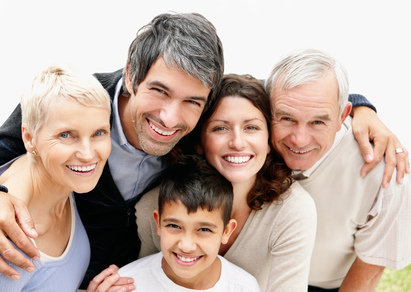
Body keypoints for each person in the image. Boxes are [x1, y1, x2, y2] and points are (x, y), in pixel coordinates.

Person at [0, 12, 407, 289]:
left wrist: (361, 106)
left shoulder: (222, 122)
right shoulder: (79, 104)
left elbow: (275, 102)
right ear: (131, 74)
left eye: (193, 102)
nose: (170, 118)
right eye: (159, 91)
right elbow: (11, 142)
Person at [116, 74, 316, 292]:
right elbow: (147, 278)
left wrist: (360, 107)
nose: (238, 143)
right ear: (199, 142)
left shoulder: (291, 211)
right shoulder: (154, 206)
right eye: (220, 128)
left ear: (268, 142)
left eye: (252, 128)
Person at [265, 48, 411, 291]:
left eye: (318, 122)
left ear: (343, 115)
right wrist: (364, 107)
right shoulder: (249, 134)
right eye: (287, 119)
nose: (299, 139)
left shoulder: (386, 177)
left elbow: (365, 277)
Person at [0, 64, 112, 291]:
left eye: (98, 133)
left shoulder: (62, 184)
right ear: (29, 138)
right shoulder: (9, 237)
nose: (88, 153)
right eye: (66, 135)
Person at [89, 154, 262, 292]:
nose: (186, 246)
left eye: (204, 229)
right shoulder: (126, 284)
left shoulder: (245, 287)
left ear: (226, 231)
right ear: (158, 222)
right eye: (174, 226)